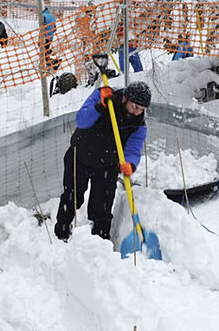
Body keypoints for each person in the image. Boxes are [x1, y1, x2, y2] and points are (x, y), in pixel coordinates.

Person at [54, 81, 151, 241]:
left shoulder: (139, 125)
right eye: (134, 106)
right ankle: (62, 234)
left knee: (102, 207)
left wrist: (130, 163)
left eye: (141, 109)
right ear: (124, 99)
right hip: (80, 156)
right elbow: (82, 120)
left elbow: (134, 149)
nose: (137, 112)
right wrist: (100, 107)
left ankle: (100, 243)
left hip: (107, 165)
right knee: (71, 197)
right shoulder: (104, 96)